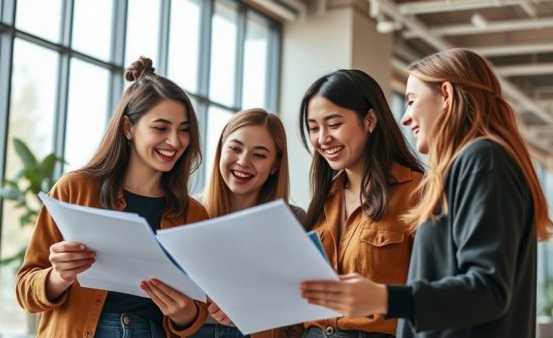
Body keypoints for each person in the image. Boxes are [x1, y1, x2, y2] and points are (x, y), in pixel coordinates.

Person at [300, 48, 553, 337]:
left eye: (411, 101)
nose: (405, 118)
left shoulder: (482, 159)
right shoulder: (468, 166)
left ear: (446, 95)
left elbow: (488, 289)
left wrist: (383, 298)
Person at [16, 57, 209, 337]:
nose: (175, 141)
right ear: (128, 128)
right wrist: (59, 276)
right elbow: (25, 290)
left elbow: (196, 308)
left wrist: (185, 314)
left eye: (184, 130)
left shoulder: (193, 214)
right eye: (161, 128)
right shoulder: (74, 189)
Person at [298, 69, 424, 338]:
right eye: (313, 128)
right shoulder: (323, 200)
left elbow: (434, 295)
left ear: (369, 119)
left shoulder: (418, 193)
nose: (322, 138)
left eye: (333, 125)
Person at [192, 108, 306, 338]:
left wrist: (254, 315)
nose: (243, 161)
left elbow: (301, 312)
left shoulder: (296, 221)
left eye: (259, 155)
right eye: (235, 148)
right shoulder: (186, 212)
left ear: (275, 165)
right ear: (220, 151)